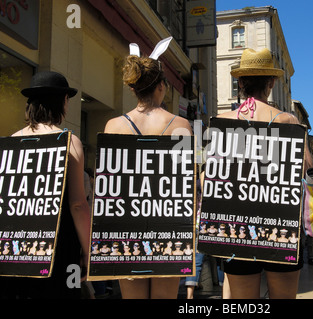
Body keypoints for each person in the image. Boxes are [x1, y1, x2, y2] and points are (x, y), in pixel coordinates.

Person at [217, 48, 313, 299]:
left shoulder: (223, 119)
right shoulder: (287, 120)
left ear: (240, 82)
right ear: (270, 83)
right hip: (280, 226)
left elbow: (212, 177)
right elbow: (309, 171)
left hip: (236, 227)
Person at [104, 41, 192, 299]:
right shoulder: (182, 125)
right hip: (170, 228)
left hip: (126, 228)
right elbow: (185, 184)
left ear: (134, 89)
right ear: (162, 86)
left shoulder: (113, 126)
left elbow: (108, 188)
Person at [0, 71, 91, 299]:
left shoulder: (11, 141)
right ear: (62, 102)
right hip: (59, 249)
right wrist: (91, 254)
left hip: (14, 247)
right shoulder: (69, 142)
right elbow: (78, 204)